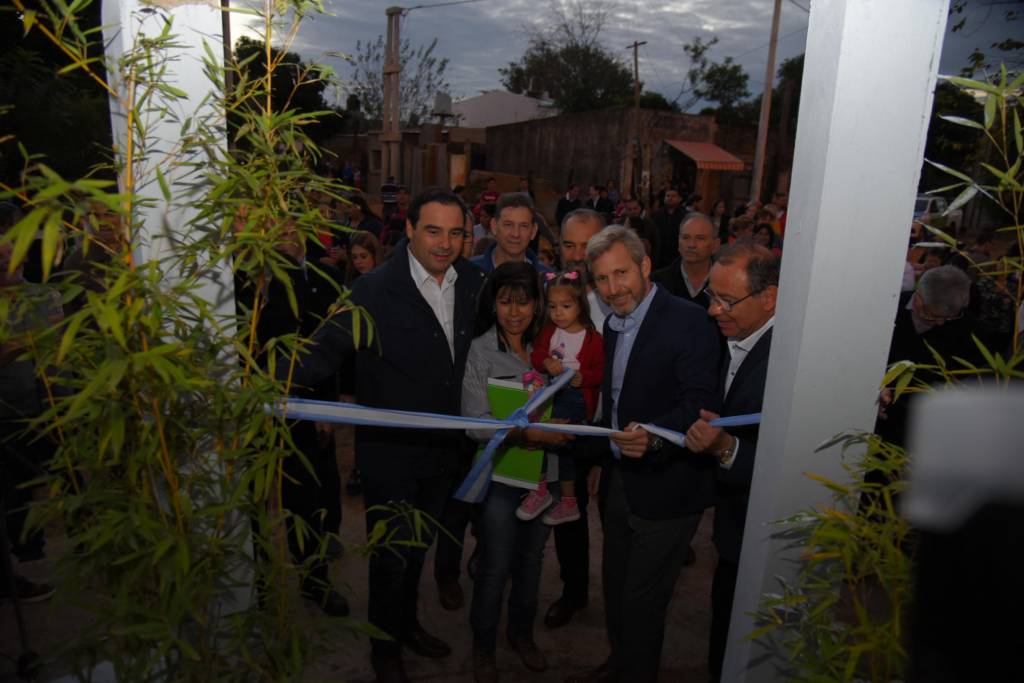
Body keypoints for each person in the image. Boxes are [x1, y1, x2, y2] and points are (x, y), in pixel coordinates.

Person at [288, 188, 487, 683]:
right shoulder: (373, 289)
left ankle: (407, 625)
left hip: (446, 451)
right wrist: (260, 382)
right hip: (390, 457)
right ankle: (385, 651)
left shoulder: (474, 282)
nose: (445, 244)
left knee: (418, 549)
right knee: (390, 559)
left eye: (455, 233)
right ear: (411, 230)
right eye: (433, 231)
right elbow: (323, 352)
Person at [566, 226, 720, 683]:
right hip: (620, 481)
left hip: (670, 486)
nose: (613, 289)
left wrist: (653, 438)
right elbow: (616, 403)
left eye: (621, 273)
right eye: (602, 279)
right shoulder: (613, 324)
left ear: (645, 266)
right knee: (615, 587)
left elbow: (698, 403)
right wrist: (600, 456)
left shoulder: (690, 321)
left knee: (642, 602)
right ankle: (620, 663)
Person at [462, 262, 573, 683]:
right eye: (505, 302)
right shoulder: (480, 351)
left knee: (531, 560)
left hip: (545, 475)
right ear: (492, 304)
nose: (514, 312)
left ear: (537, 305)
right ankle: (483, 646)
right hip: (500, 477)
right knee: (495, 565)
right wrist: (531, 435)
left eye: (523, 303)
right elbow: (475, 423)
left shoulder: (551, 347)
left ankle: (521, 634)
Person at [238, 218, 349, 617]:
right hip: (251, 408)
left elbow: (330, 350)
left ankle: (314, 580)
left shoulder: (324, 278)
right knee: (251, 502)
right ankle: (256, 585)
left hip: (304, 408)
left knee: (306, 501)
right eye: (274, 229)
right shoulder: (242, 278)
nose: (283, 237)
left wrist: (327, 409)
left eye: (290, 229)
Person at [684, 240, 779, 683]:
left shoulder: (788, 360)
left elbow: (792, 459)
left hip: (766, 538)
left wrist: (726, 448)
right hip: (734, 530)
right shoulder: (738, 336)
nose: (713, 310)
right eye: (711, 296)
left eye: (726, 300)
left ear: (769, 297)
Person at [543, 207, 610, 630]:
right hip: (563, 426)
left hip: (607, 428)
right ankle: (574, 591)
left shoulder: (617, 301)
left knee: (615, 518)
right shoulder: (552, 298)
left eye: (588, 246)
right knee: (568, 510)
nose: (578, 255)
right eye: (569, 245)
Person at [520, 269, 604, 526]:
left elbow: (602, 372)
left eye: (566, 306)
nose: (558, 313)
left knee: (563, 446)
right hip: (549, 394)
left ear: (581, 305)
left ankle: (569, 502)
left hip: (576, 398)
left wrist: (584, 378)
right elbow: (536, 356)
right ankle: (541, 490)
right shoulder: (549, 331)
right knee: (537, 437)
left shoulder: (593, 339)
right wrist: (545, 361)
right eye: (553, 306)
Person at [471, 193, 554, 275]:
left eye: (524, 226)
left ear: (533, 231)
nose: (516, 234)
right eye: (508, 225)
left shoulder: (547, 278)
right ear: (494, 226)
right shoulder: (470, 271)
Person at [651, 213, 720, 308]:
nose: (691, 245)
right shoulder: (656, 283)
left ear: (715, 245)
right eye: (686, 237)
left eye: (700, 238)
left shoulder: (727, 284)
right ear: (678, 243)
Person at [651, 186, 686, 270]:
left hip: (678, 255)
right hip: (659, 256)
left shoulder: (685, 215)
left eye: (673, 196)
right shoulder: (656, 215)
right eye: (668, 196)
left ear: (679, 199)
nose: (670, 198)